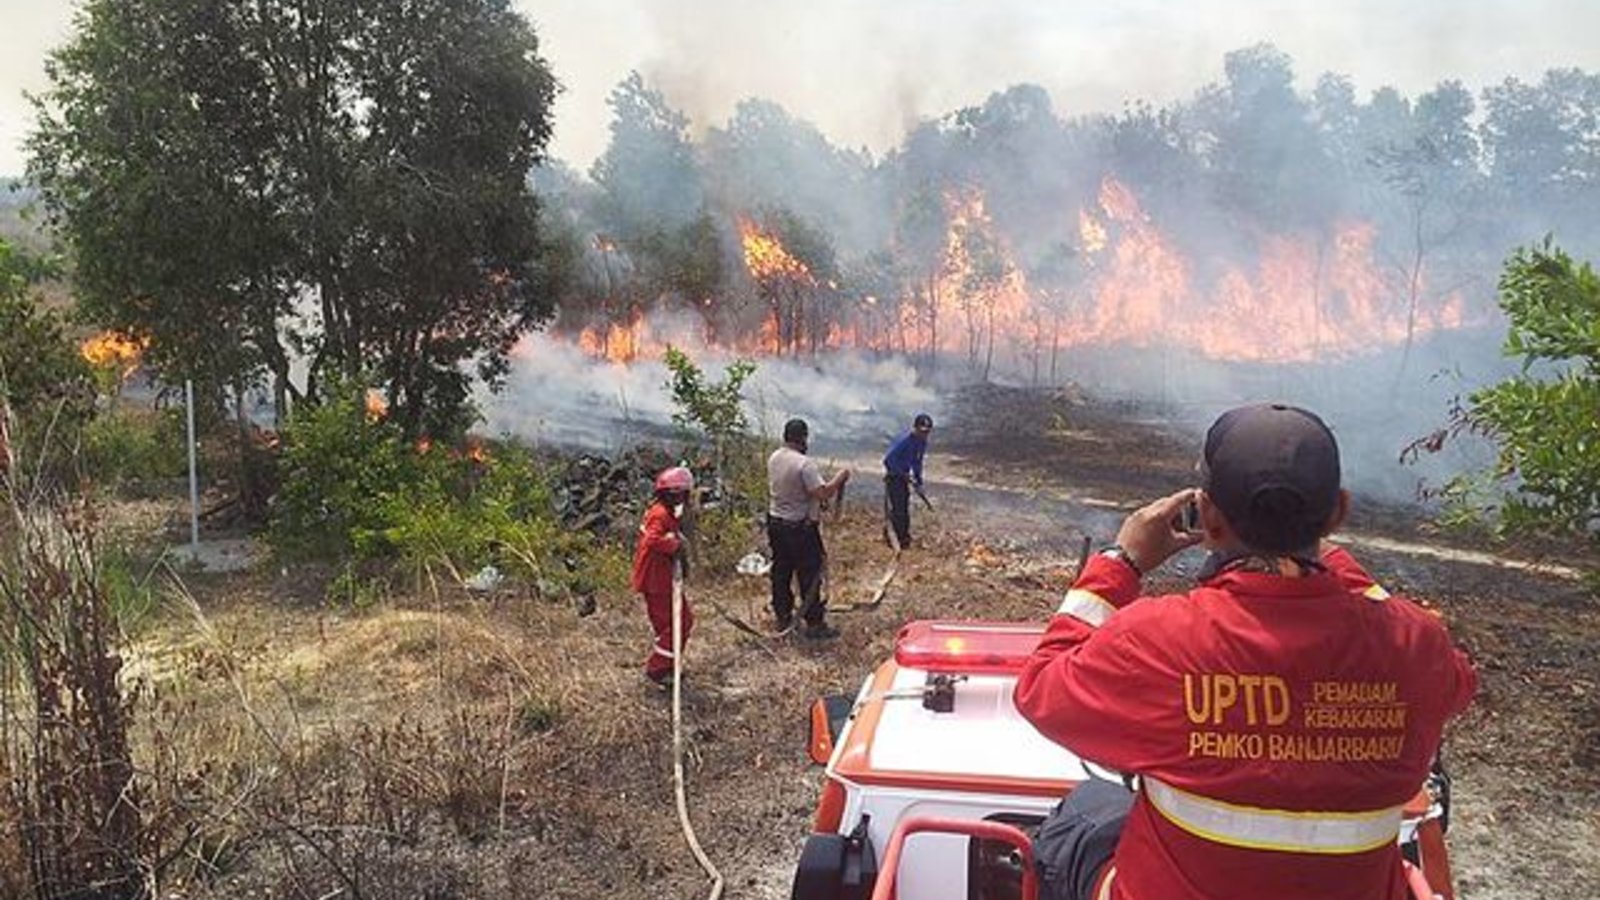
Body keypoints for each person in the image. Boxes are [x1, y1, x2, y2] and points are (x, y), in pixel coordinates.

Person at [1014, 403, 1477, 900]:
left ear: (1208, 517)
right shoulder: (1412, 644)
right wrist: (1323, 560)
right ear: (1338, 512)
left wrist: (1120, 562)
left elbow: (1041, 687)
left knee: (1079, 823)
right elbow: (1459, 682)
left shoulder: (1160, 639)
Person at [767, 418, 850, 639]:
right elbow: (822, 493)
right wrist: (840, 478)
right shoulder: (804, 464)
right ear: (803, 438)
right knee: (810, 573)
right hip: (800, 528)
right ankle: (814, 623)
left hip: (776, 523)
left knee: (781, 571)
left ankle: (782, 614)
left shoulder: (774, 457)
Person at [631, 466, 694, 688]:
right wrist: (675, 545)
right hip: (655, 581)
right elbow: (652, 540)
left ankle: (668, 665)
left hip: (661, 579)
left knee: (670, 625)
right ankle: (657, 669)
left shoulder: (664, 512)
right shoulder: (659, 514)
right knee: (680, 622)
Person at [882, 412, 934, 549]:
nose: (924, 434)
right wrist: (901, 473)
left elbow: (917, 462)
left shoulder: (922, 443)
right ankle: (894, 538)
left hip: (904, 477)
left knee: (904, 507)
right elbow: (888, 460)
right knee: (898, 509)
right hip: (894, 477)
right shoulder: (905, 441)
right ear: (915, 428)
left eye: (927, 432)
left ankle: (903, 536)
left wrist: (919, 481)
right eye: (922, 431)